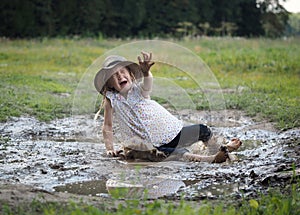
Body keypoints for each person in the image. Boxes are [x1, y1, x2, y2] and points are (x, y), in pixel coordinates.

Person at [94, 52, 241, 163]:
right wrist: (109, 149)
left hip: (170, 133)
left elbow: (148, 84)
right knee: (174, 153)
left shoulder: (138, 90)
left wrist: (146, 72)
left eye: (122, 72)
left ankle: (222, 148)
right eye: (114, 75)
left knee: (203, 130)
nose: (120, 76)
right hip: (151, 145)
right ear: (109, 83)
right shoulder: (111, 100)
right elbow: (107, 126)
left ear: (130, 74)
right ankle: (212, 159)